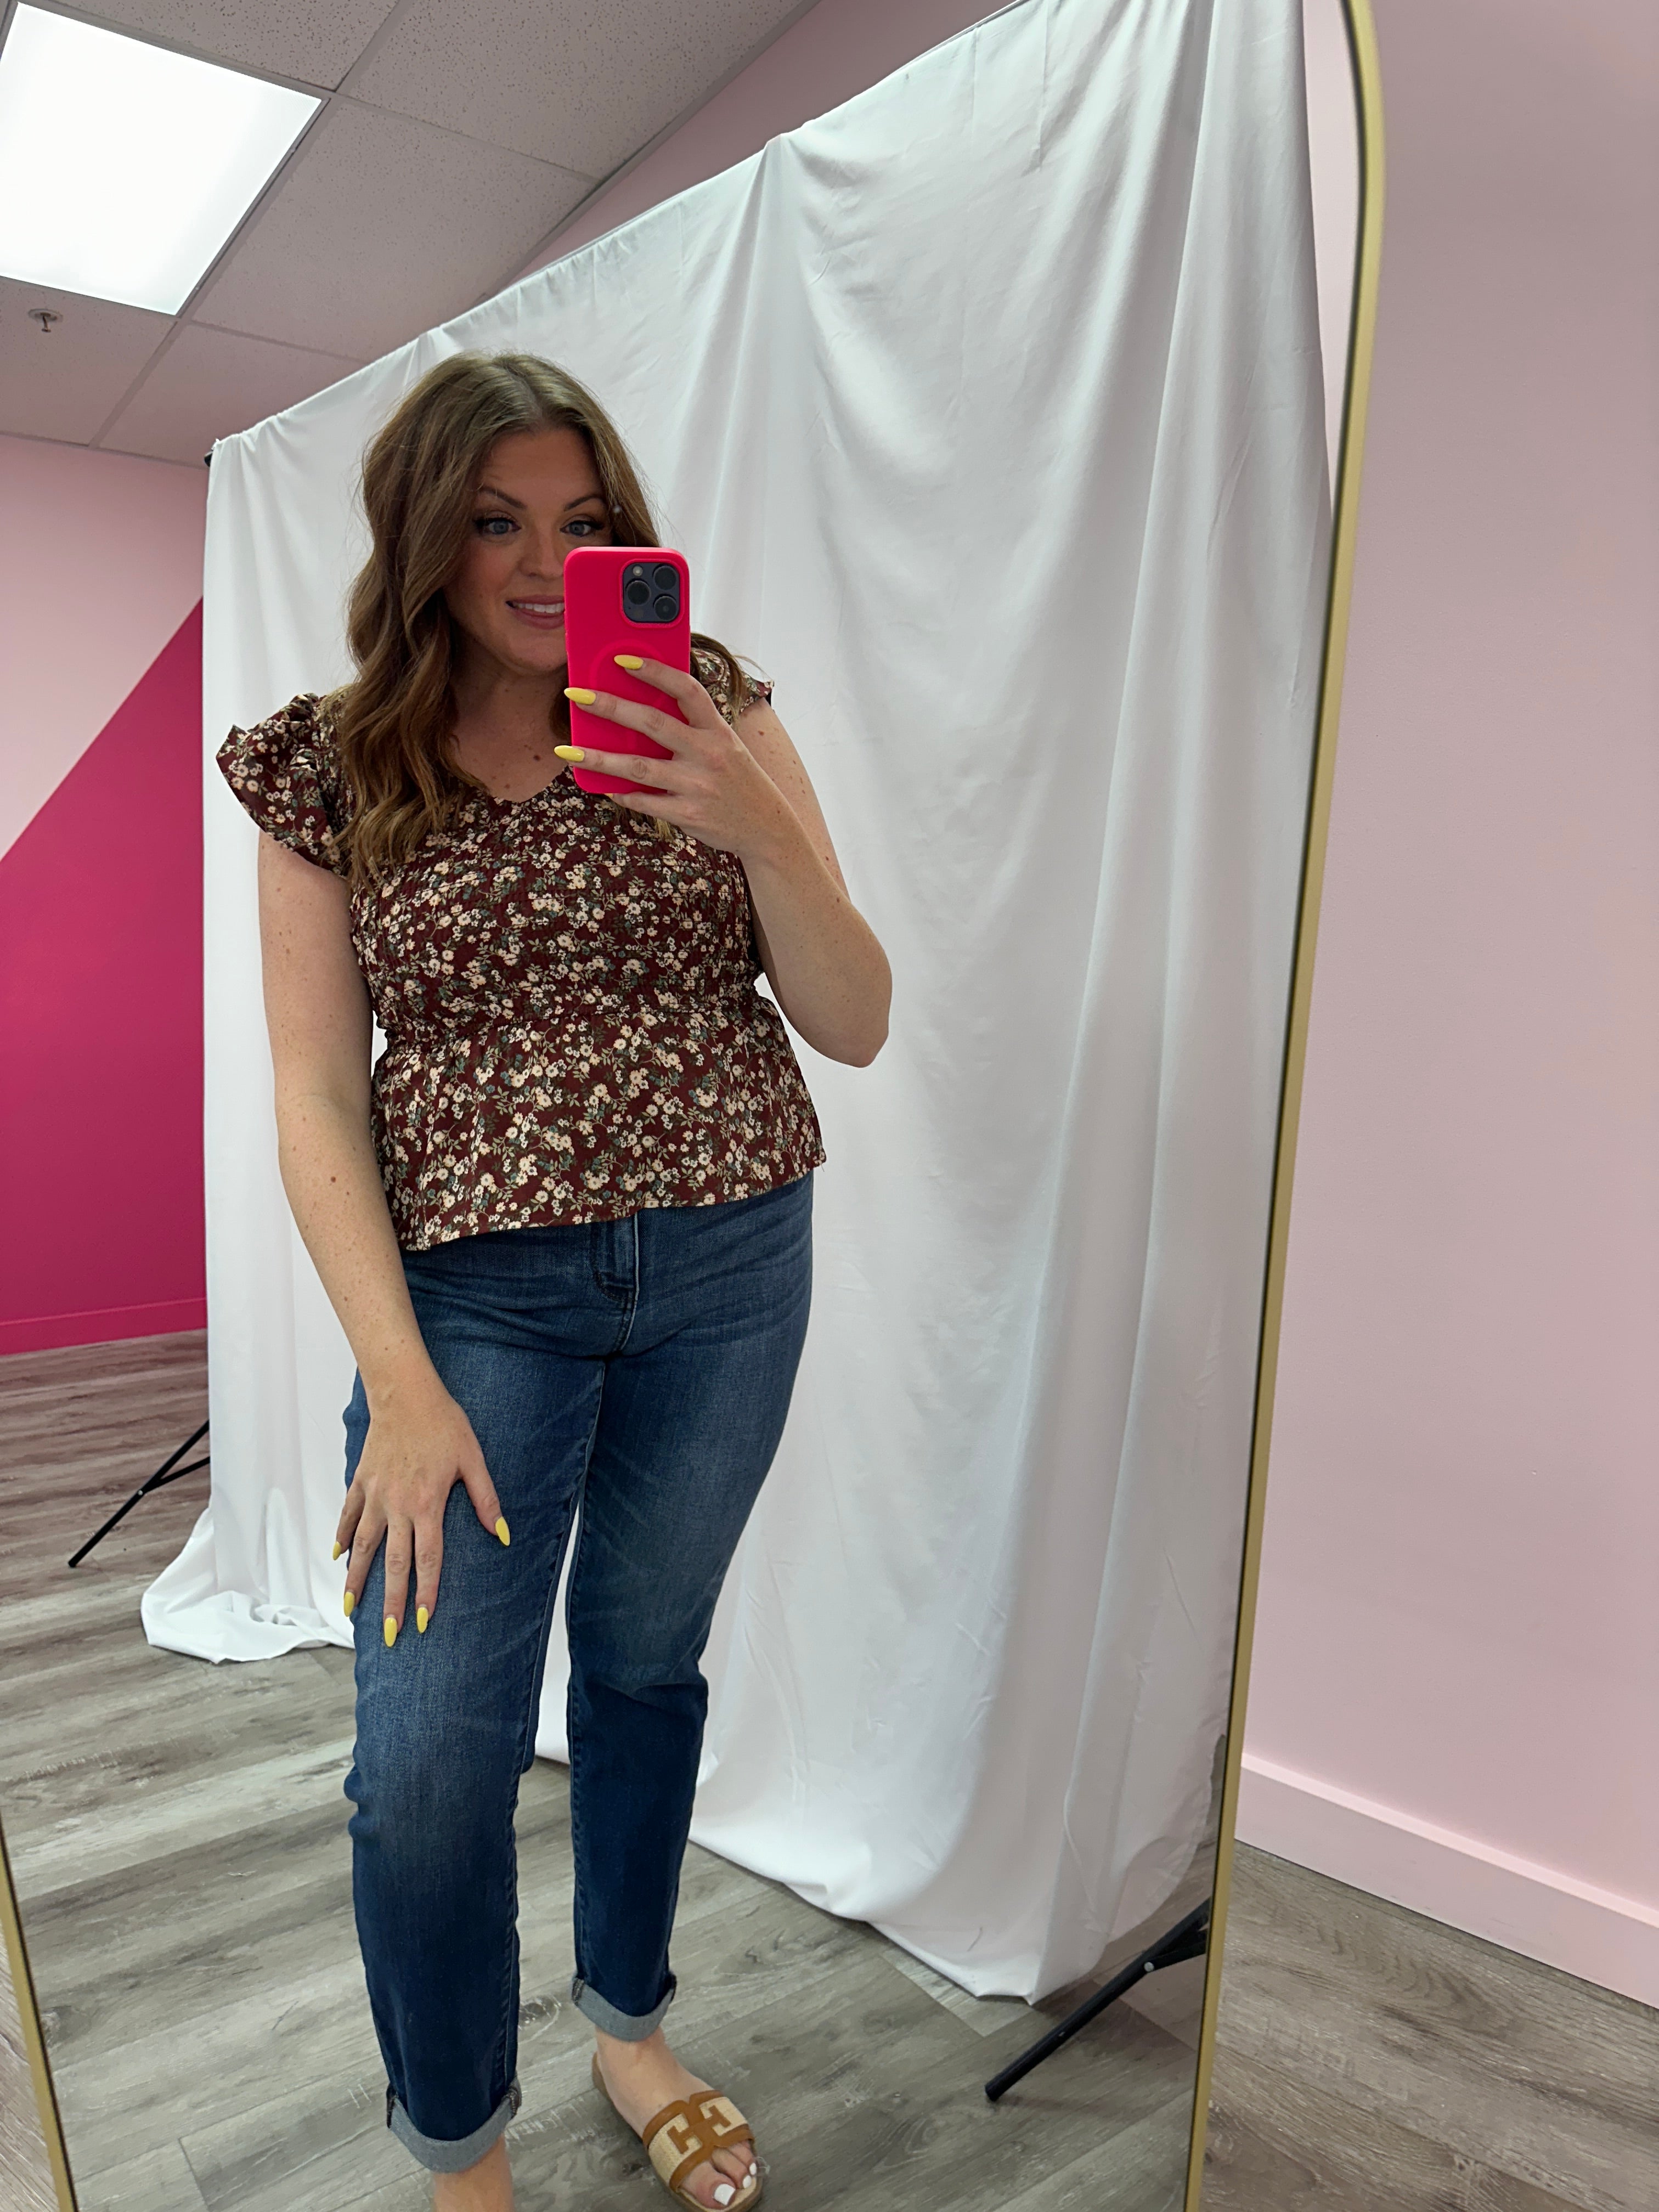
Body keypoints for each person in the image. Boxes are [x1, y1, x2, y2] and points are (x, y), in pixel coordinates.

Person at [218, 353, 891, 2212]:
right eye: (496, 521)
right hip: (472, 1309)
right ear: (422, 539)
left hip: (732, 1264)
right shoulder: (329, 761)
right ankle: (461, 2152)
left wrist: (748, 813)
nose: (542, 562)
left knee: (645, 1668)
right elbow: (312, 1094)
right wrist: (396, 1381)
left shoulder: (707, 705)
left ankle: (630, 2022)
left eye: (583, 524)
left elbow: (855, 1019)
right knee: (428, 1767)